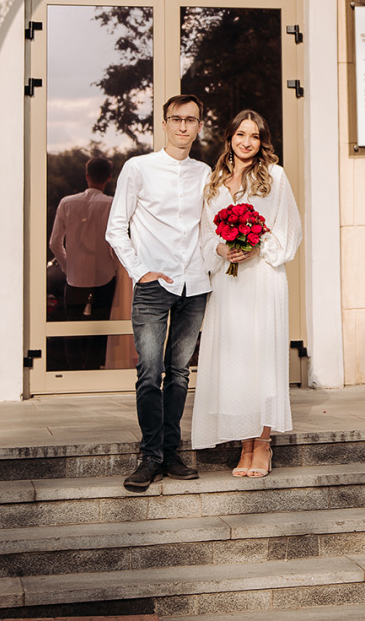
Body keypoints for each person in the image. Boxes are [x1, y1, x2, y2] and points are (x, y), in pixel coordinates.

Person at [105, 94, 212, 491]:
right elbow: (116, 227)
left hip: (196, 285)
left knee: (180, 374)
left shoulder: (205, 173)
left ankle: (170, 451)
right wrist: (139, 272)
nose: (184, 126)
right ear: (165, 124)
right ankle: (150, 456)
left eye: (192, 120)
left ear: (199, 126)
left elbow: (209, 230)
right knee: (150, 373)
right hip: (155, 285)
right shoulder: (139, 168)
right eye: (177, 119)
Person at [190, 109, 301, 478]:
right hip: (228, 282)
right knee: (235, 365)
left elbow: (289, 229)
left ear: (262, 140)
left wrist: (259, 246)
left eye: (253, 136)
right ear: (229, 138)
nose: (246, 142)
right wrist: (221, 250)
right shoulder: (214, 180)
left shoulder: (276, 177)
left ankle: (263, 444)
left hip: (262, 280)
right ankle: (245, 444)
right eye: (240, 134)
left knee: (262, 361)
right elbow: (205, 233)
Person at [48, 156, 119, 371]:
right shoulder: (111, 204)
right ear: (109, 177)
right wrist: (115, 267)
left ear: (86, 176)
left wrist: (69, 266)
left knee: (73, 328)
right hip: (105, 277)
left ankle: (74, 370)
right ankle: (92, 368)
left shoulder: (67, 203)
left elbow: (54, 243)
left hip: (75, 278)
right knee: (100, 327)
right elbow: (115, 243)